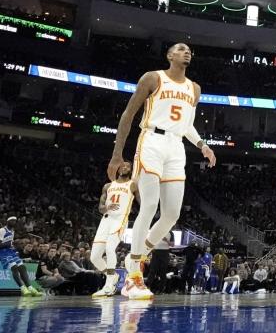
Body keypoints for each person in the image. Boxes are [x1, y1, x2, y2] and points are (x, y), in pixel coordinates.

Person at [105, 43, 217, 299]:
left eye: (189, 50)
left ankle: (138, 256)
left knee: (170, 215)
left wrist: (202, 145)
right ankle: (134, 275)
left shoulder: (194, 89)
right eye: (180, 49)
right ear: (169, 55)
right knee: (149, 205)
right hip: (151, 141)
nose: (186, 52)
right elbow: (128, 115)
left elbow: (188, 125)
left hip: (176, 146)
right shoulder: (153, 78)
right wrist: (116, 154)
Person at [90, 161, 137, 297]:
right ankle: (113, 275)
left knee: (110, 248)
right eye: (122, 165)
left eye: (128, 166)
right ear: (118, 169)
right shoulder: (108, 186)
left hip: (120, 219)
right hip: (106, 219)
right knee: (94, 257)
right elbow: (100, 207)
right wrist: (106, 208)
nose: (124, 167)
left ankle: (109, 285)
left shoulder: (132, 184)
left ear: (130, 170)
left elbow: (142, 201)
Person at [0, 217, 41, 296]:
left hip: (9, 251)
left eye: (15, 221)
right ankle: (23, 288)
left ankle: (30, 288)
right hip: (1, 252)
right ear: (8, 221)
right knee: (14, 267)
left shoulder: (12, 231)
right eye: (12, 221)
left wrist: (13, 246)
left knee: (22, 267)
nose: (14, 222)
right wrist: (9, 244)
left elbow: (10, 244)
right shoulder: (2, 231)